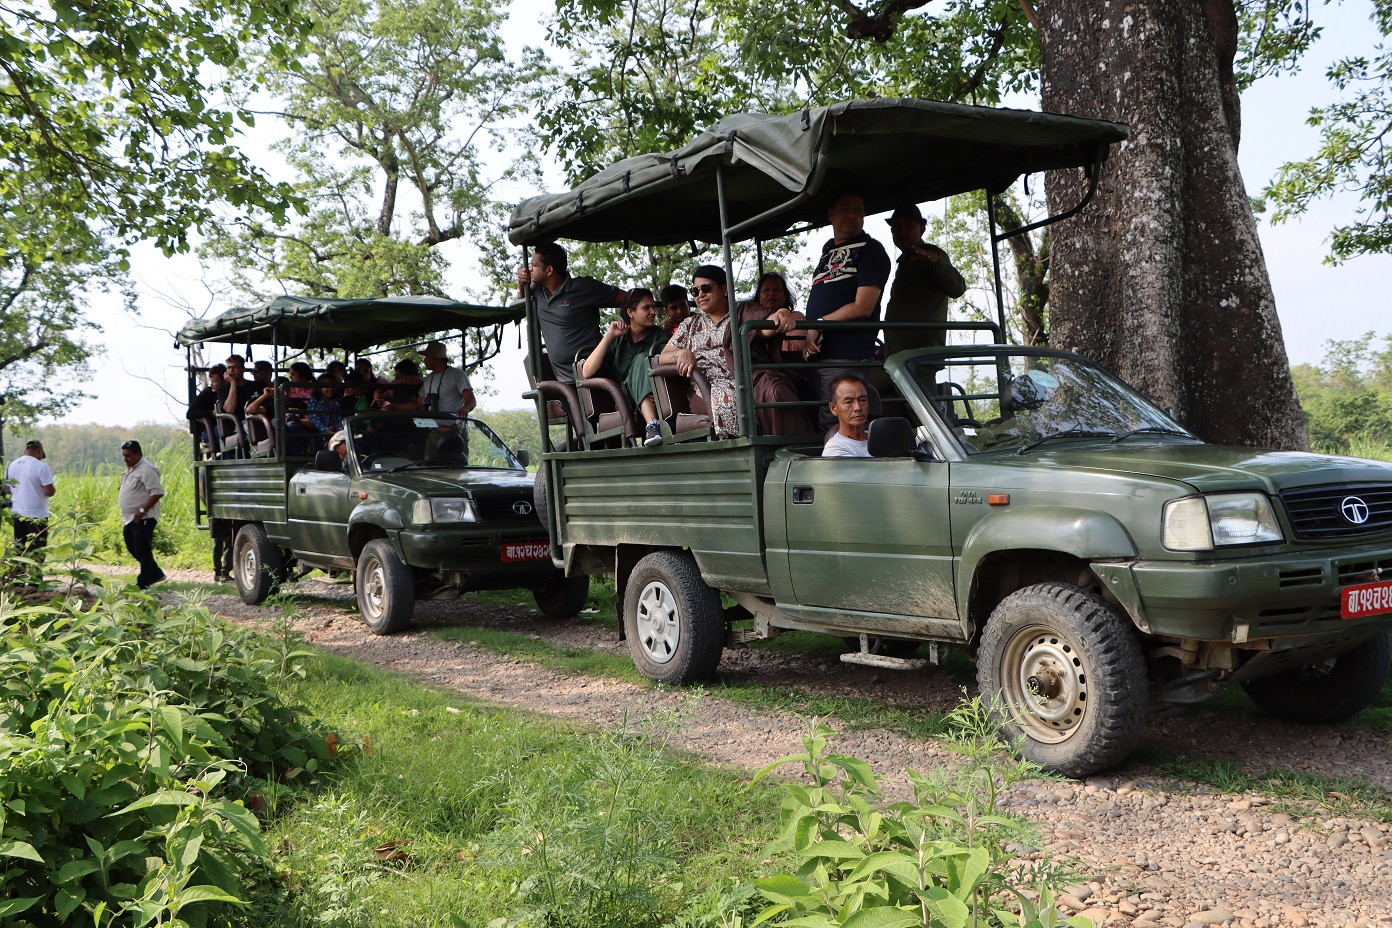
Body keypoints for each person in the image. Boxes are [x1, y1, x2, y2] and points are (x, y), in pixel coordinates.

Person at [803, 189, 892, 430]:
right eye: (845, 209)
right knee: (828, 416)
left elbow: (863, 306)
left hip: (848, 353)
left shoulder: (871, 250)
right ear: (830, 214)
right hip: (821, 354)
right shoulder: (827, 253)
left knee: (842, 419)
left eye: (858, 211)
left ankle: (842, 466)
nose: (851, 215)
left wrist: (819, 323)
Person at [517, 242, 625, 384]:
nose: (529, 270)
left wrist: (627, 328)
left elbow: (627, 299)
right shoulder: (537, 290)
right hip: (564, 379)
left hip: (594, 371)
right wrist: (521, 283)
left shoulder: (584, 287)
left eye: (534, 266)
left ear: (549, 270)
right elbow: (522, 298)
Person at [658, 264, 743, 439]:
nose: (701, 294)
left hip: (743, 379)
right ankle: (733, 448)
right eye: (695, 291)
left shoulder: (740, 315)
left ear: (724, 288)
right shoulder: (690, 324)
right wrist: (682, 353)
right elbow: (663, 356)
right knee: (728, 396)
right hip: (707, 387)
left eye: (706, 288)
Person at [579, 288, 670, 447]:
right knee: (642, 359)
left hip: (654, 397)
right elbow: (586, 371)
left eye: (653, 307)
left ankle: (652, 425)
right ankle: (652, 425)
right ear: (630, 312)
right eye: (646, 308)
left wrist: (654, 391)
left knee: (644, 360)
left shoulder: (660, 337)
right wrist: (609, 336)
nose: (652, 312)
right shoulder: (618, 338)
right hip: (622, 399)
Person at [883, 203, 967, 359]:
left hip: (920, 356)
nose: (902, 232)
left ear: (922, 229)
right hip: (898, 355)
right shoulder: (904, 262)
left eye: (908, 226)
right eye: (896, 227)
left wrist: (936, 261)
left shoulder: (932, 255)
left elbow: (958, 288)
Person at [739, 272, 815, 437]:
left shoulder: (795, 317)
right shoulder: (751, 319)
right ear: (759, 296)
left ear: (785, 296)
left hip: (791, 372)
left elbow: (793, 346)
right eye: (766, 290)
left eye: (776, 290)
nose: (771, 294)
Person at [118, 440, 166, 589]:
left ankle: (143, 583)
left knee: (142, 550)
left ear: (138, 454)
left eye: (129, 456)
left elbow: (157, 492)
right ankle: (156, 573)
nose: (125, 459)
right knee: (132, 547)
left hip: (144, 517)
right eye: (124, 456)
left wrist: (142, 510)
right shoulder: (130, 469)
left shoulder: (146, 469)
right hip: (129, 518)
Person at [5, 439, 55, 583]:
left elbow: (8, 488)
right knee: (37, 549)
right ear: (39, 451)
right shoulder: (41, 466)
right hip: (37, 514)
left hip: (17, 513)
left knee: (19, 547)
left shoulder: (12, 465)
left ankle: (17, 579)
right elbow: (49, 490)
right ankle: (34, 581)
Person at [420, 340, 476, 417]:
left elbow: (471, 401)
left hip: (452, 427)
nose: (424, 360)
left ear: (436, 358)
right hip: (431, 427)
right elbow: (418, 403)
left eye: (427, 357)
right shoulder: (428, 378)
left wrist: (465, 409)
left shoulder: (457, 374)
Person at [822, 375, 872, 458]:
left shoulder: (878, 438)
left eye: (862, 400)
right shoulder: (834, 450)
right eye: (848, 402)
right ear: (833, 408)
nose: (858, 407)